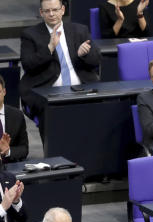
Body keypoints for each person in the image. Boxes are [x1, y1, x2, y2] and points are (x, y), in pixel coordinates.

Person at [19, 0, 101, 129]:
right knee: (53, 125)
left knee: (100, 111)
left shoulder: (79, 30)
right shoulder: (30, 35)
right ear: (41, 13)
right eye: (47, 11)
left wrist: (83, 55)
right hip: (47, 90)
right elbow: (28, 65)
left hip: (81, 88)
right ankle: (53, 148)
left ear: (62, 10)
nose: (51, 14)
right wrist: (50, 48)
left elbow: (96, 60)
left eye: (55, 10)